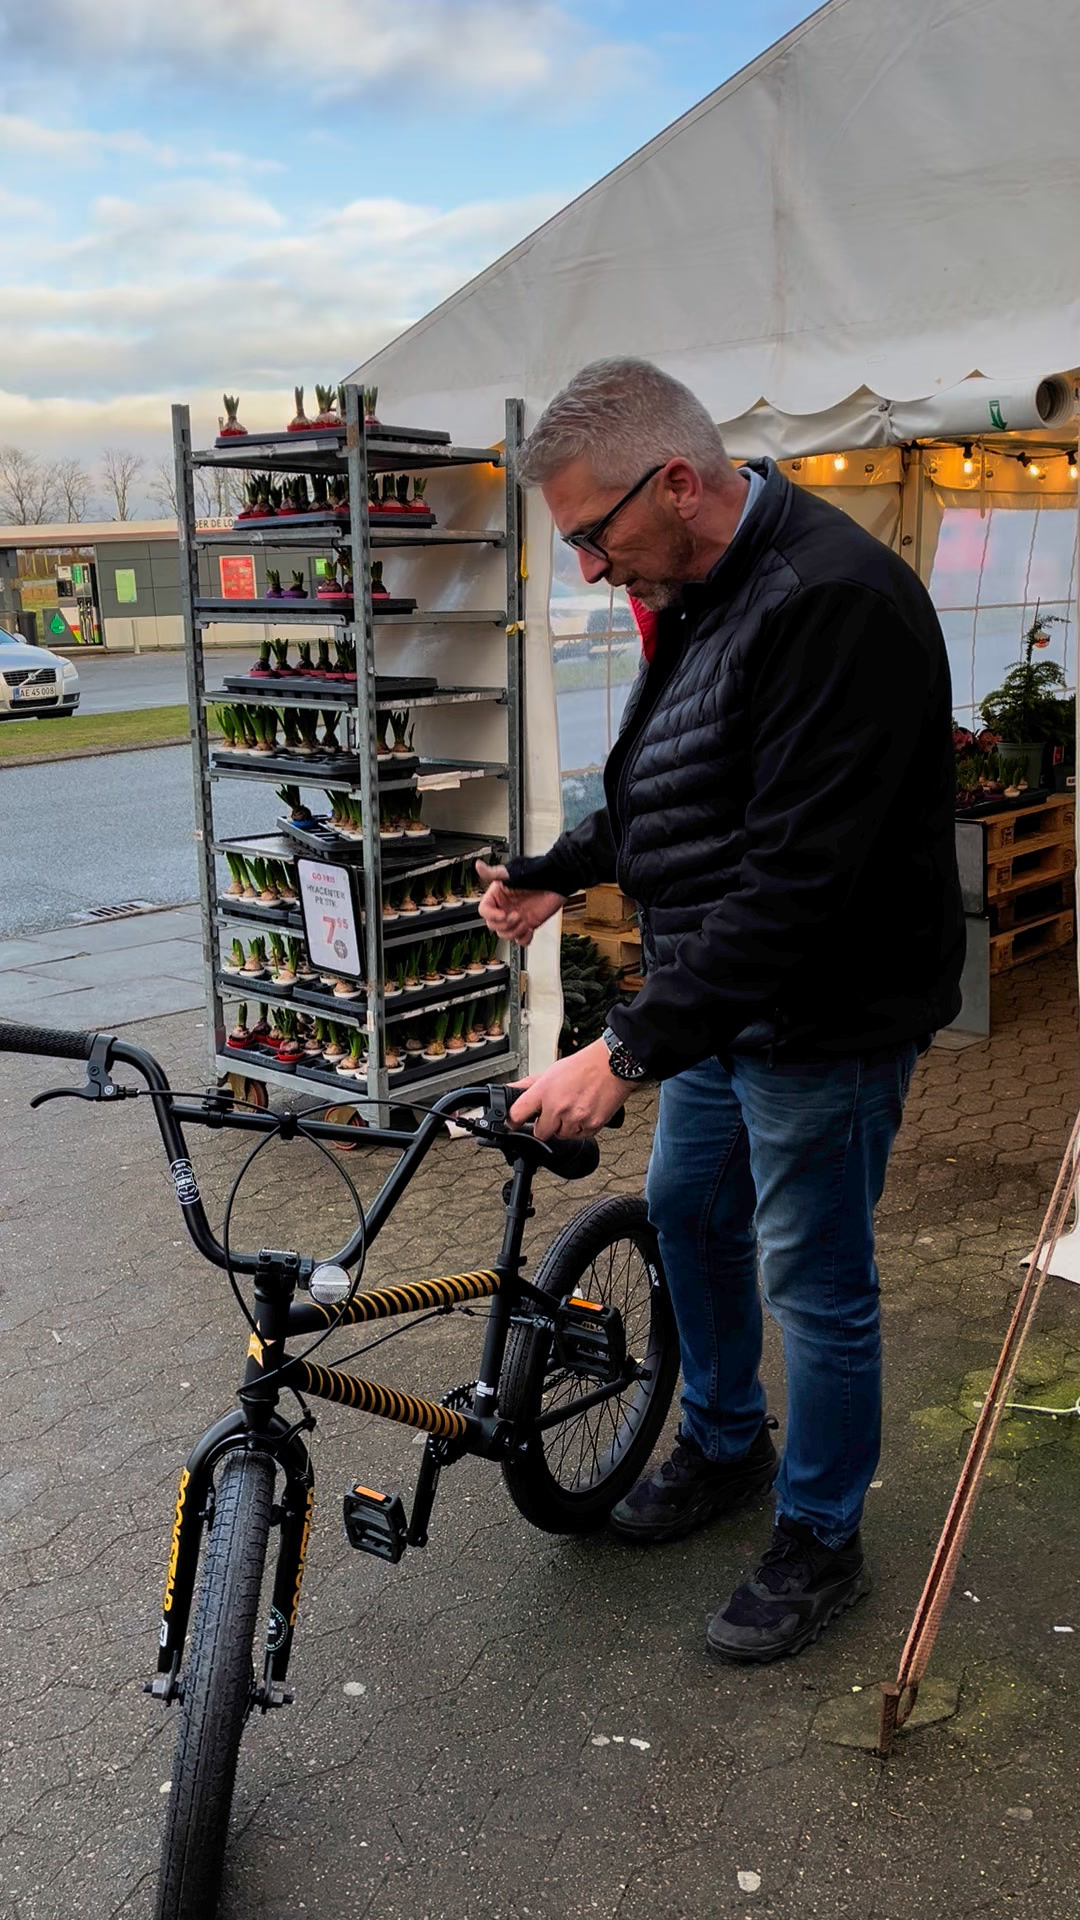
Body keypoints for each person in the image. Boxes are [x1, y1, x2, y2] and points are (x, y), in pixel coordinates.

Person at [477, 357, 964, 1664]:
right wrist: (552, 871)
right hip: (720, 1004)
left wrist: (623, 1045)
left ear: (677, 484)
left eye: (594, 536)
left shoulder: (836, 602)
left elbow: (802, 878)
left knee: (815, 1275)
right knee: (692, 1214)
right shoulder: (703, 579)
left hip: (826, 1017)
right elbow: (674, 785)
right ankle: (729, 1442)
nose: (588, 568)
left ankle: (819, 1535)